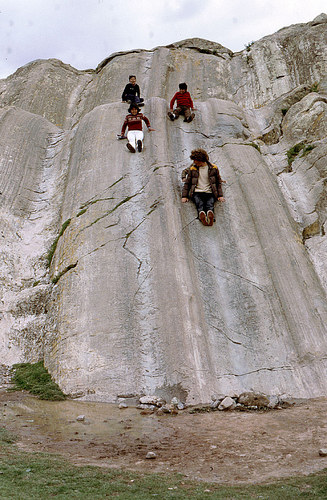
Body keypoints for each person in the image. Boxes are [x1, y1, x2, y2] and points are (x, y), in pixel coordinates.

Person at [182, 148, 225, 226]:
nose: (194, 162)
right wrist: (184, 196)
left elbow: (218, 182)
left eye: (195, 160)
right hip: (197, 192)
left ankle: (210, 217)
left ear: (201, 160)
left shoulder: (213, 168)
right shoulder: (193, 169)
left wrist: (220, 195)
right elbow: (187, 184)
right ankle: (202, 216)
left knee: (210, 204)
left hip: (210, 192)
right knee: (200, 204)